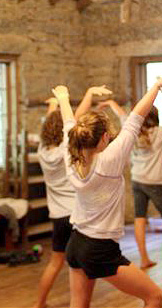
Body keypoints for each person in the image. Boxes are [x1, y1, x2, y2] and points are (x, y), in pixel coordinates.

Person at [53, 70, 162, 308]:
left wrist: (62, 99)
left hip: (76, 242)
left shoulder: (71, 157)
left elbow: (68, 124)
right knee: (156, 297)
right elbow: (136, 118)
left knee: (78, 304)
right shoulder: (108, 161)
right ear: (103, 138)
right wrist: (157, 86)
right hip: (99, 247)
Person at [34, 86, 112, 308]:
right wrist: (87, 93)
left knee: (55, 262)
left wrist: (53, 105)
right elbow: (72, 119)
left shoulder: (42, 150)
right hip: (75, 215)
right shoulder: (66, 149)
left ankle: (39, 303)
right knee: (82, 264)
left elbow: (58, 120)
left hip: (57, 215)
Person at [99, 99, 162, 271]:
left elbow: (123, 115)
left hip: (137, 180)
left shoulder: (131, 129)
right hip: (154, 184)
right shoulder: (158, 132)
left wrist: (112, 102)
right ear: (155, 118)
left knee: (139, 219)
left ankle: (144, 259)